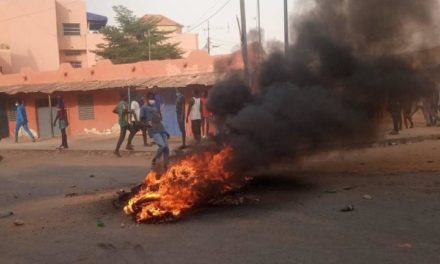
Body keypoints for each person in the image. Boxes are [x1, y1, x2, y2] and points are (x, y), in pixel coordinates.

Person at [140, 95, 170, 166]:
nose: (152, 100)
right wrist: (147, 124)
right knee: (162, 146)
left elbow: (160, 117)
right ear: (147, 99)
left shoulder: (156, 106)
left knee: (167, 148)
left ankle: (166, 165)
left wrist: (165, 131)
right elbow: (141, 120)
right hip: (153, 129)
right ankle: (155, 159)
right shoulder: (144, 108)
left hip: (161, 128)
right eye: (150, 99)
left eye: (153, 99)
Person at [114, 93, 136, 157]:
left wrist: (120, 114)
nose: (128, 97)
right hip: (124, 122)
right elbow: (125, 111)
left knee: (133, 131)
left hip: (124, 121)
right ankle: (116, 150)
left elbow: (113, 110)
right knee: (122, 137)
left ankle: (128, 145)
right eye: (126, 96)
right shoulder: (124, 103)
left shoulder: (119, 103)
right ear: (124, 97)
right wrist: (130, 112)